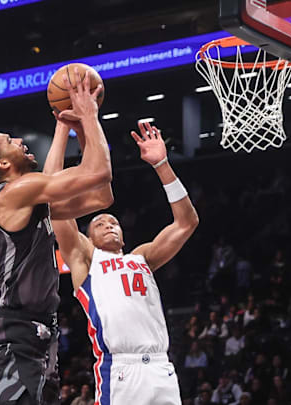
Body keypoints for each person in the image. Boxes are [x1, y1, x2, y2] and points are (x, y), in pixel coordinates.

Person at [0, 68, 111, 404]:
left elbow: (101, 196)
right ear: (5, 165)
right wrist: (89, 116)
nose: (21, 141)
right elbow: (99, 171)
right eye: (11, 141)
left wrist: (75, 129)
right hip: (17, 332)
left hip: (38, 332)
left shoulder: (29, 200)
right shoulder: (13, 192)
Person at [46, 121, 199, 404]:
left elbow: (187, 222)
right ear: (87, 237)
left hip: (161, 368)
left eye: (114, 222)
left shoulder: (142, 257)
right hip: (120, 369)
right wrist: (63, 130)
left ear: (124, 235)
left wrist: (162, 165)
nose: (109, 224)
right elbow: (50, 201)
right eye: (100, 222)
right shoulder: (86, 258)